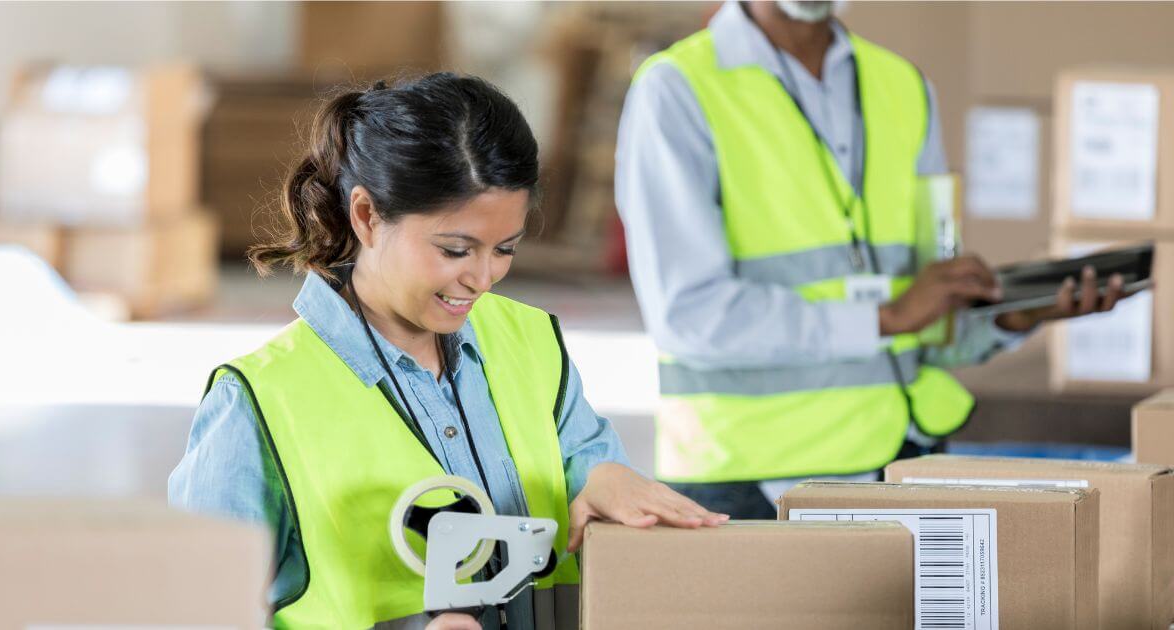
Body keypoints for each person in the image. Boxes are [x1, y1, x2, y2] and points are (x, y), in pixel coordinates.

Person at [170, 73, 727, 630]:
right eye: (455, 249)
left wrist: (605, 476)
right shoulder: (260, 402)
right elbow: (201, 615)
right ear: (366, 216)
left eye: (504, 249)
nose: (482, 278)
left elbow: (581, 459)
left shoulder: (530, 343)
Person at [615, 0, 1127, 518]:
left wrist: (1013, 316)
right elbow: (688, 316)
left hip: (902, 463)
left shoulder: (901, 85)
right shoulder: (677, 90)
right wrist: (887, 317)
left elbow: (922, 321)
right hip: (749, 482)